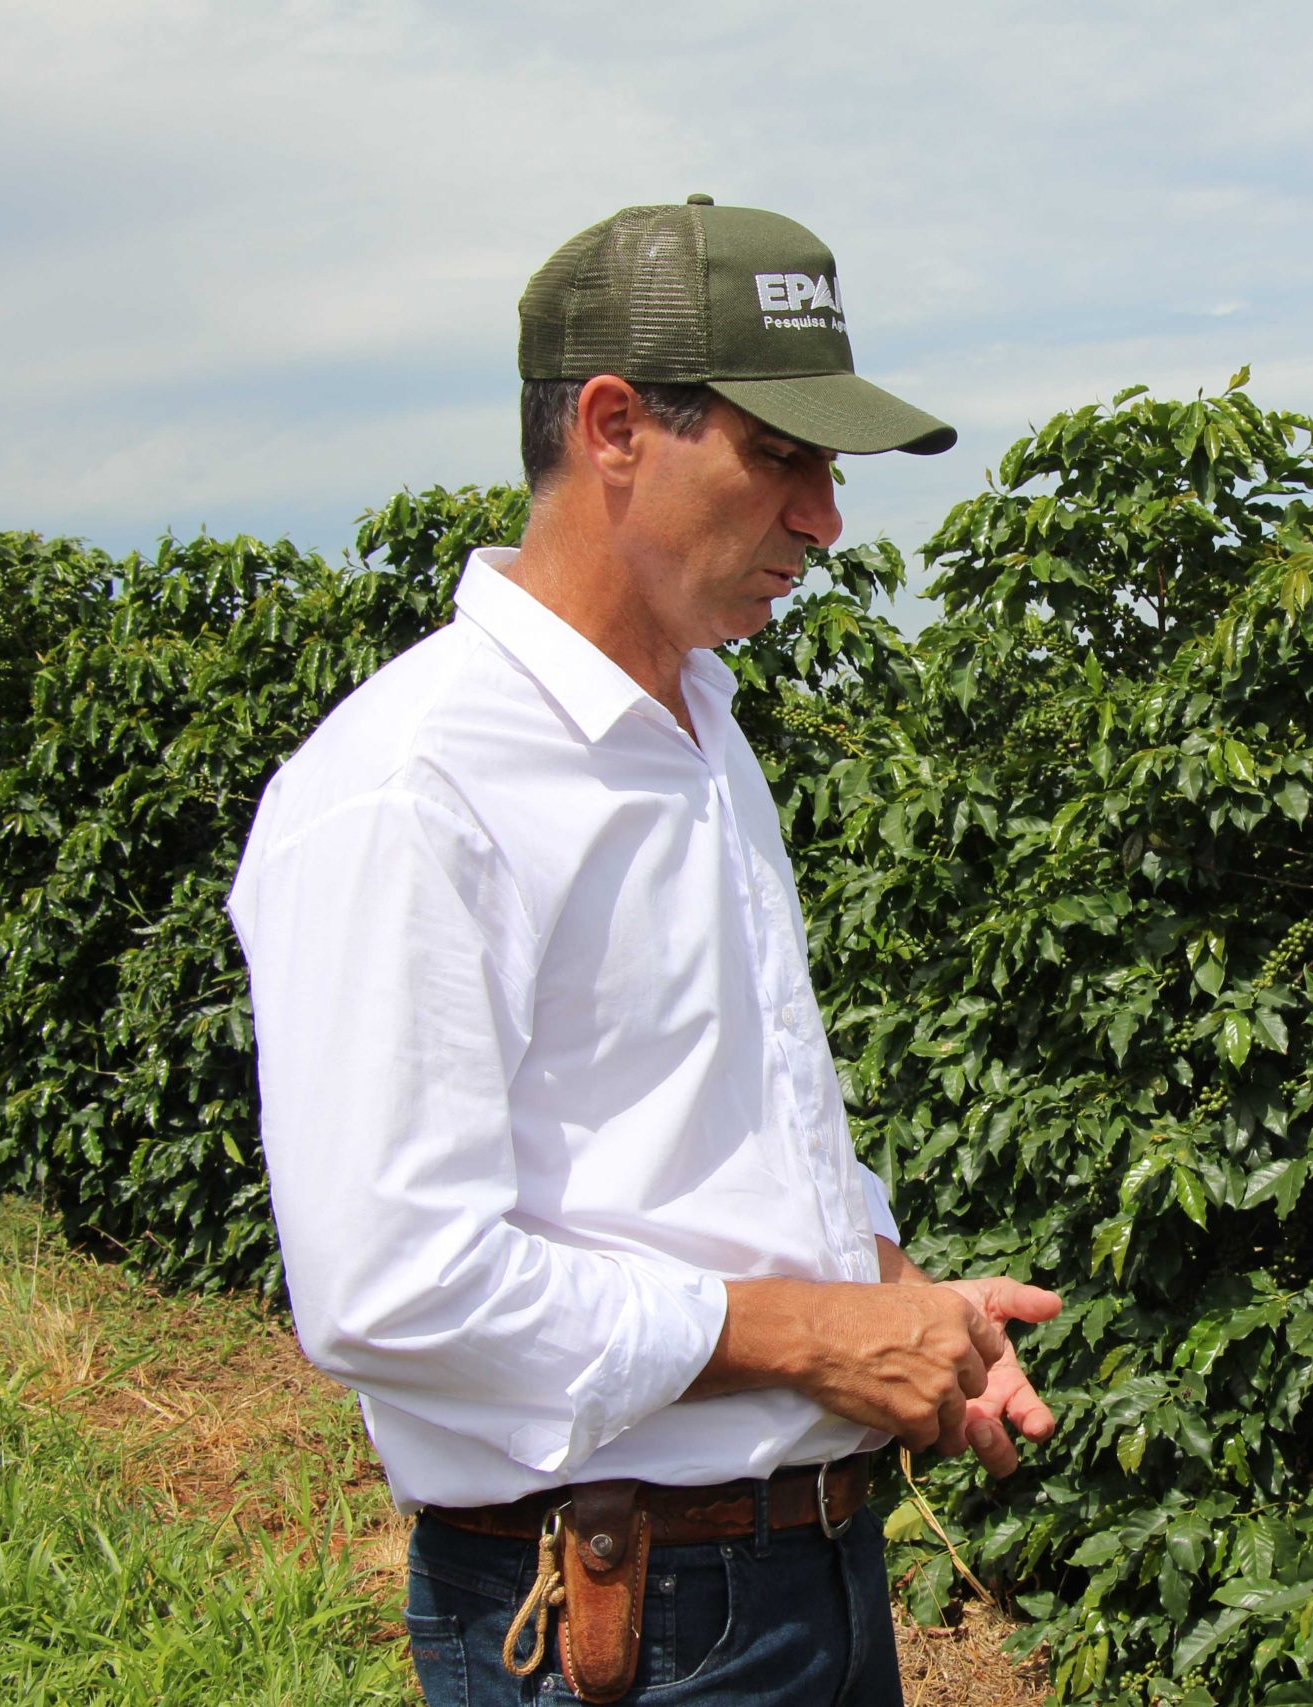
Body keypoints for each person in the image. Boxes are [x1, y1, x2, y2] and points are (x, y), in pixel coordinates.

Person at [228, 197, 1060, 1707]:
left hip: (815, 1571)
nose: (826, 516)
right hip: (622, 1619)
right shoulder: (417, 786)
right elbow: (389, 1289)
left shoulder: (699, 733)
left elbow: (724, 1136)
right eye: (782, 455)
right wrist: (813, 1336)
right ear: (614, 426)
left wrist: (902, 1304)